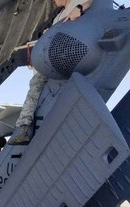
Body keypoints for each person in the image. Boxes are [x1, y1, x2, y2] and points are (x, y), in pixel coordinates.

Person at [9, 0, 92, 145]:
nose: (54, 1)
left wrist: (79, 8)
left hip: (67, 54)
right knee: (35, 85)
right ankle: (24, 128)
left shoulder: (76, 3)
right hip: (51, 59)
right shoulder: (58, 17)